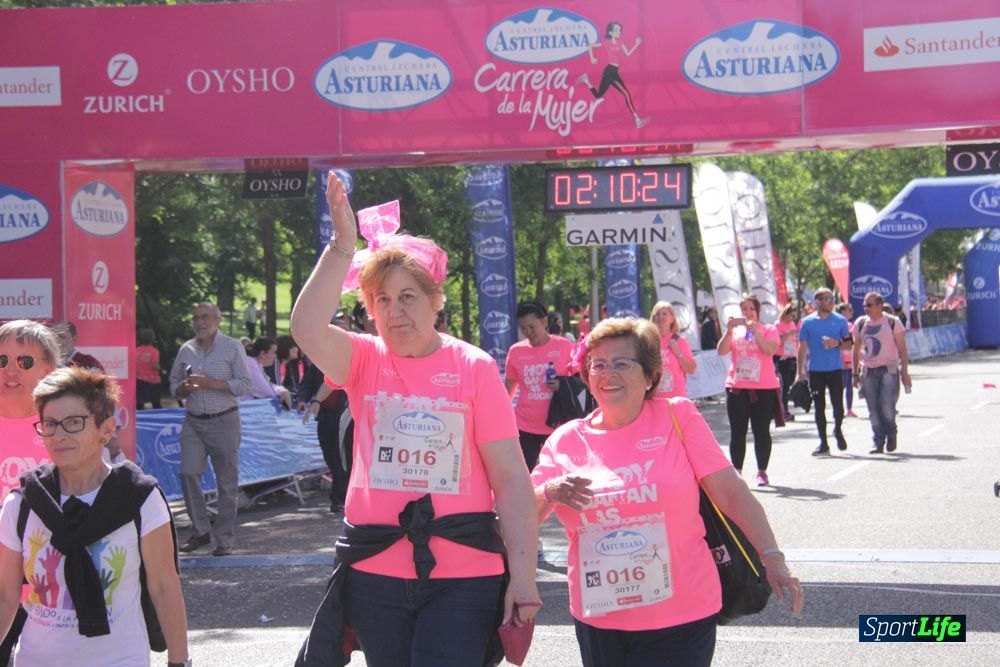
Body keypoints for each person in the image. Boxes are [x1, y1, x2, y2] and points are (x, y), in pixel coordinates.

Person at [290, 173, 540, 666]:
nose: (395, 311)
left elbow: (511, 478)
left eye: (408, 296)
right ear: (370, 309)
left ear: (434, 301)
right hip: (375, 571)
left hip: (463, 575)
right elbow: (306, 327)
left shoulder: (473, 367)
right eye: (382, 299)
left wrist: (525, 578)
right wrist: (342, 245)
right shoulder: (363, 359)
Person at [531, 317, 803, 667]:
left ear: (649, 376)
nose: (607, 374)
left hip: (682, 613)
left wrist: (773, 559)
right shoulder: (565, 440)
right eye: (598, 364)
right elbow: (524, 514)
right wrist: (549, 491)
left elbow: (731, 492)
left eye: (621, 363)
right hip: (599, 618)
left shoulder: (677, 416)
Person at [0, 366, 189, 667]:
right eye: (50, 424)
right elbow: (5, 595)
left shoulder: (139, 498)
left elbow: (164, 586)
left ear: (106, 429)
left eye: (74, 422)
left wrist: (179, 662)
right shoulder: (23, 502)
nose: (59, 435)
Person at [168, 302, 251, 558]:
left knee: (226, 482)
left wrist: (212, 384)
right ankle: (200, 530)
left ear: (218, 319)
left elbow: (244, 384)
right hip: (193, 421)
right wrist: (183, 388)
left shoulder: (232, 346)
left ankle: (224, 539)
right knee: (188, 473)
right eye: (195, 318)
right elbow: (173, 383)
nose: (199, 322)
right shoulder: (186, 349)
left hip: (224, 420)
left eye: (204, 317)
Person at [0, 319, 61, 664]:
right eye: (2, 360)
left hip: (50, 587)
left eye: (24, 361)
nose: (10, 370)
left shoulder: (62, 427)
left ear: (47, 369)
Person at [718, 295, 781, 486]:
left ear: (758, 311)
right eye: (744, 309)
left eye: (751, 309)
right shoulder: (736, 332)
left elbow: (770, 350)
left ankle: (762, 471)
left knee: (761, 430)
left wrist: (756, 332)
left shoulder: (769, 329)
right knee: (738, 431)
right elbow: (721, 351)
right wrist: (728, 331)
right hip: (737, 387)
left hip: (763, 388)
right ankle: (737, 472)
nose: (748, 312)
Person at [505, 300, 576, 471]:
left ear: (544, 322)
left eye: (532, 327)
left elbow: (580, 382)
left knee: (560, 473)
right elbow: (507, 394)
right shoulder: (516, 352)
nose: (528, 333)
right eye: (523, 328)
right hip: (525, 426)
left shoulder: (564, 346)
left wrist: (562, 384)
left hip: (558, 425)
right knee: (526, 475)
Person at [853, 292, 912, 454]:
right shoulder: (860, 323)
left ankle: (891, 433)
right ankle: (878, 441)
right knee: (873, 409)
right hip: (868, 371)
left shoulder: (893, 322)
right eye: (864, 305)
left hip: (888, 369)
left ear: (880, 305)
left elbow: (902, 349)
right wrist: (854, 374)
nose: (866, 308)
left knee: (886, 405)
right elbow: (856, 349)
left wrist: (905, 373)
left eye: (869, 305)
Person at [797, 288, 851, 456]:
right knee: (819, 407)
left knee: (838, 405)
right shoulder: (807, 322)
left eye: (832, 298)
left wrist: (837, 343)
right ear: (818, 301)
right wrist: (799, 372)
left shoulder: (840, 320)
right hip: (815, 371)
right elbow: (802, 347)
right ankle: (823, 444)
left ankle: (838, 429)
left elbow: (849, 344)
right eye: (827, 299)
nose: (831, 302)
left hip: (835, 369)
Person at [576, 21, 649, 128]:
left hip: (612, 71)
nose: (619, 32)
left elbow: (628, 54)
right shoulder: (607, 43)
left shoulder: (620, 42)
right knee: (627, 94)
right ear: (610, 32)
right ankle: (637, 120)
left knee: (598, 95)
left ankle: (586, 80)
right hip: (610, 72)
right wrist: (592, 58)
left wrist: (636, 44)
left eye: (620, 30)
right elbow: (591, 45)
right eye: (616, 30)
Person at [650, 301, 696, 398]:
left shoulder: (679, 341)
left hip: (676, 398)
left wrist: (678, 353)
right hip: (654, 397)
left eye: (664, 314)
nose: (660, 317)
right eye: (657, 314)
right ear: (653, 318)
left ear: (672, 319)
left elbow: (691, 369)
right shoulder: (649, 341)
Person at [241, 337, 293, 409]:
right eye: (273, 353)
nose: (275, 356)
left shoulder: (255, 363)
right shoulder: (250, 363)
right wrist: (282, 391)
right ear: (263, 354)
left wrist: (282, 390)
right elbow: (267, 392)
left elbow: (268, 385)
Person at [774, 304, 799, 421]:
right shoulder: (777, 325)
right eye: (791, 316)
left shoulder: (792, 324)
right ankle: (783, 411)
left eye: (794, 316)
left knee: (788, 385)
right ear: (785, 314)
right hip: (780, 358)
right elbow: (778, 341)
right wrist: (789, 334)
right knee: (783, 385)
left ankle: (783, 409)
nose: (792, 319)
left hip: (791, 357)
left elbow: (794, 342)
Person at [836, 303, 857, 418]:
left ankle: (849, 409)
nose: (852, 312)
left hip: (849, 359)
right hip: (839, 360)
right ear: (843, 311)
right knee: (840, 386)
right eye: (850, 310)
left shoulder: (850, 325)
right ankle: (840, 408)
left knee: (849, 385)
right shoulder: (837, 324)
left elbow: (853, 343)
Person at [135, 328, 162, 410]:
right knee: (156, 403)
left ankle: (139, 416)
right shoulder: (154, 351)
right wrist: (160, 368)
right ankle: (158, 415)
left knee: (139, 403)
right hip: (152, 381)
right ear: (152, 339)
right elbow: (155, 366)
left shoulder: (136, 351)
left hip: (138, 381)